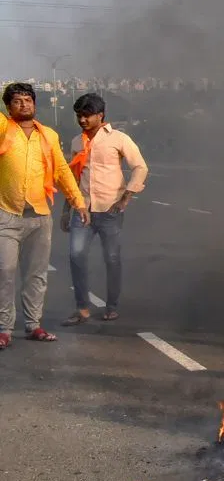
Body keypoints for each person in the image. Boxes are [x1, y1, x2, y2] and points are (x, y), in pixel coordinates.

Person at [0, 82, 88, 348]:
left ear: (35, 104)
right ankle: (4, 328)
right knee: (5, 271)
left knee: (36, 274)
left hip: (39, 215)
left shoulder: (48, 135)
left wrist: (78, 202)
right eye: (17, 101)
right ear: (8, 107)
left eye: (28, 100)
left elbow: (61, 170)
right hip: (7, 213)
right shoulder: (3, 129)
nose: (24, 104)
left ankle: (33, 325)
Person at [60, 93, 149, 325]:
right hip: (83, 210)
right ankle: (82, 308)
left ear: (101, 115)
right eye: (79, 115)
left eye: (87, 115)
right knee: (76, 255)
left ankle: (112, 306)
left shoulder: (119, 139)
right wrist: (65, 209)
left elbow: (140, 167)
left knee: (111, 258)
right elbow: (74, 177)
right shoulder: (76, 142)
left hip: (111, 210)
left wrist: (127, 196)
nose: (82, 120)